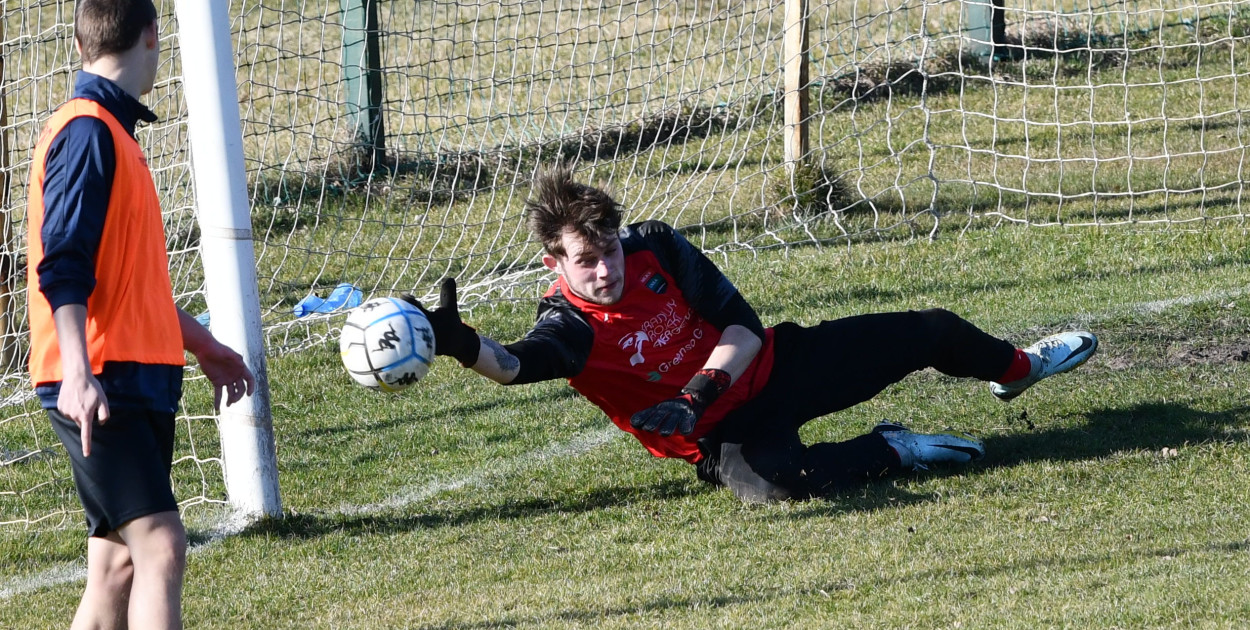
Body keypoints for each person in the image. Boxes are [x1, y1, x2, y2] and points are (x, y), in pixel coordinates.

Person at [407, 164, 1097, 503]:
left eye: (609, 249)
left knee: (931, 330)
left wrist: (696, 392)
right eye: (586, 260)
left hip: (771, 369)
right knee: (781, 487)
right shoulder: (569, 325)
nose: (606, 269)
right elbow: (515, 365)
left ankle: (1019, 370)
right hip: (718, 437)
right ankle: (893, 447)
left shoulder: (657, 247)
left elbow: (741, 326)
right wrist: (461, 344)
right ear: (553, 263)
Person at [25, 1, 256, 628]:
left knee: (118, 565)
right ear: (154, 34)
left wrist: (202, 344)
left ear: (80, 44)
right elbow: (62, 264)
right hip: (99, 379)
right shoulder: (87, 133)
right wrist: (78, 372)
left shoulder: (115, 134)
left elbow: (132, 289)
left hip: (131, 375)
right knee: (161, 546)